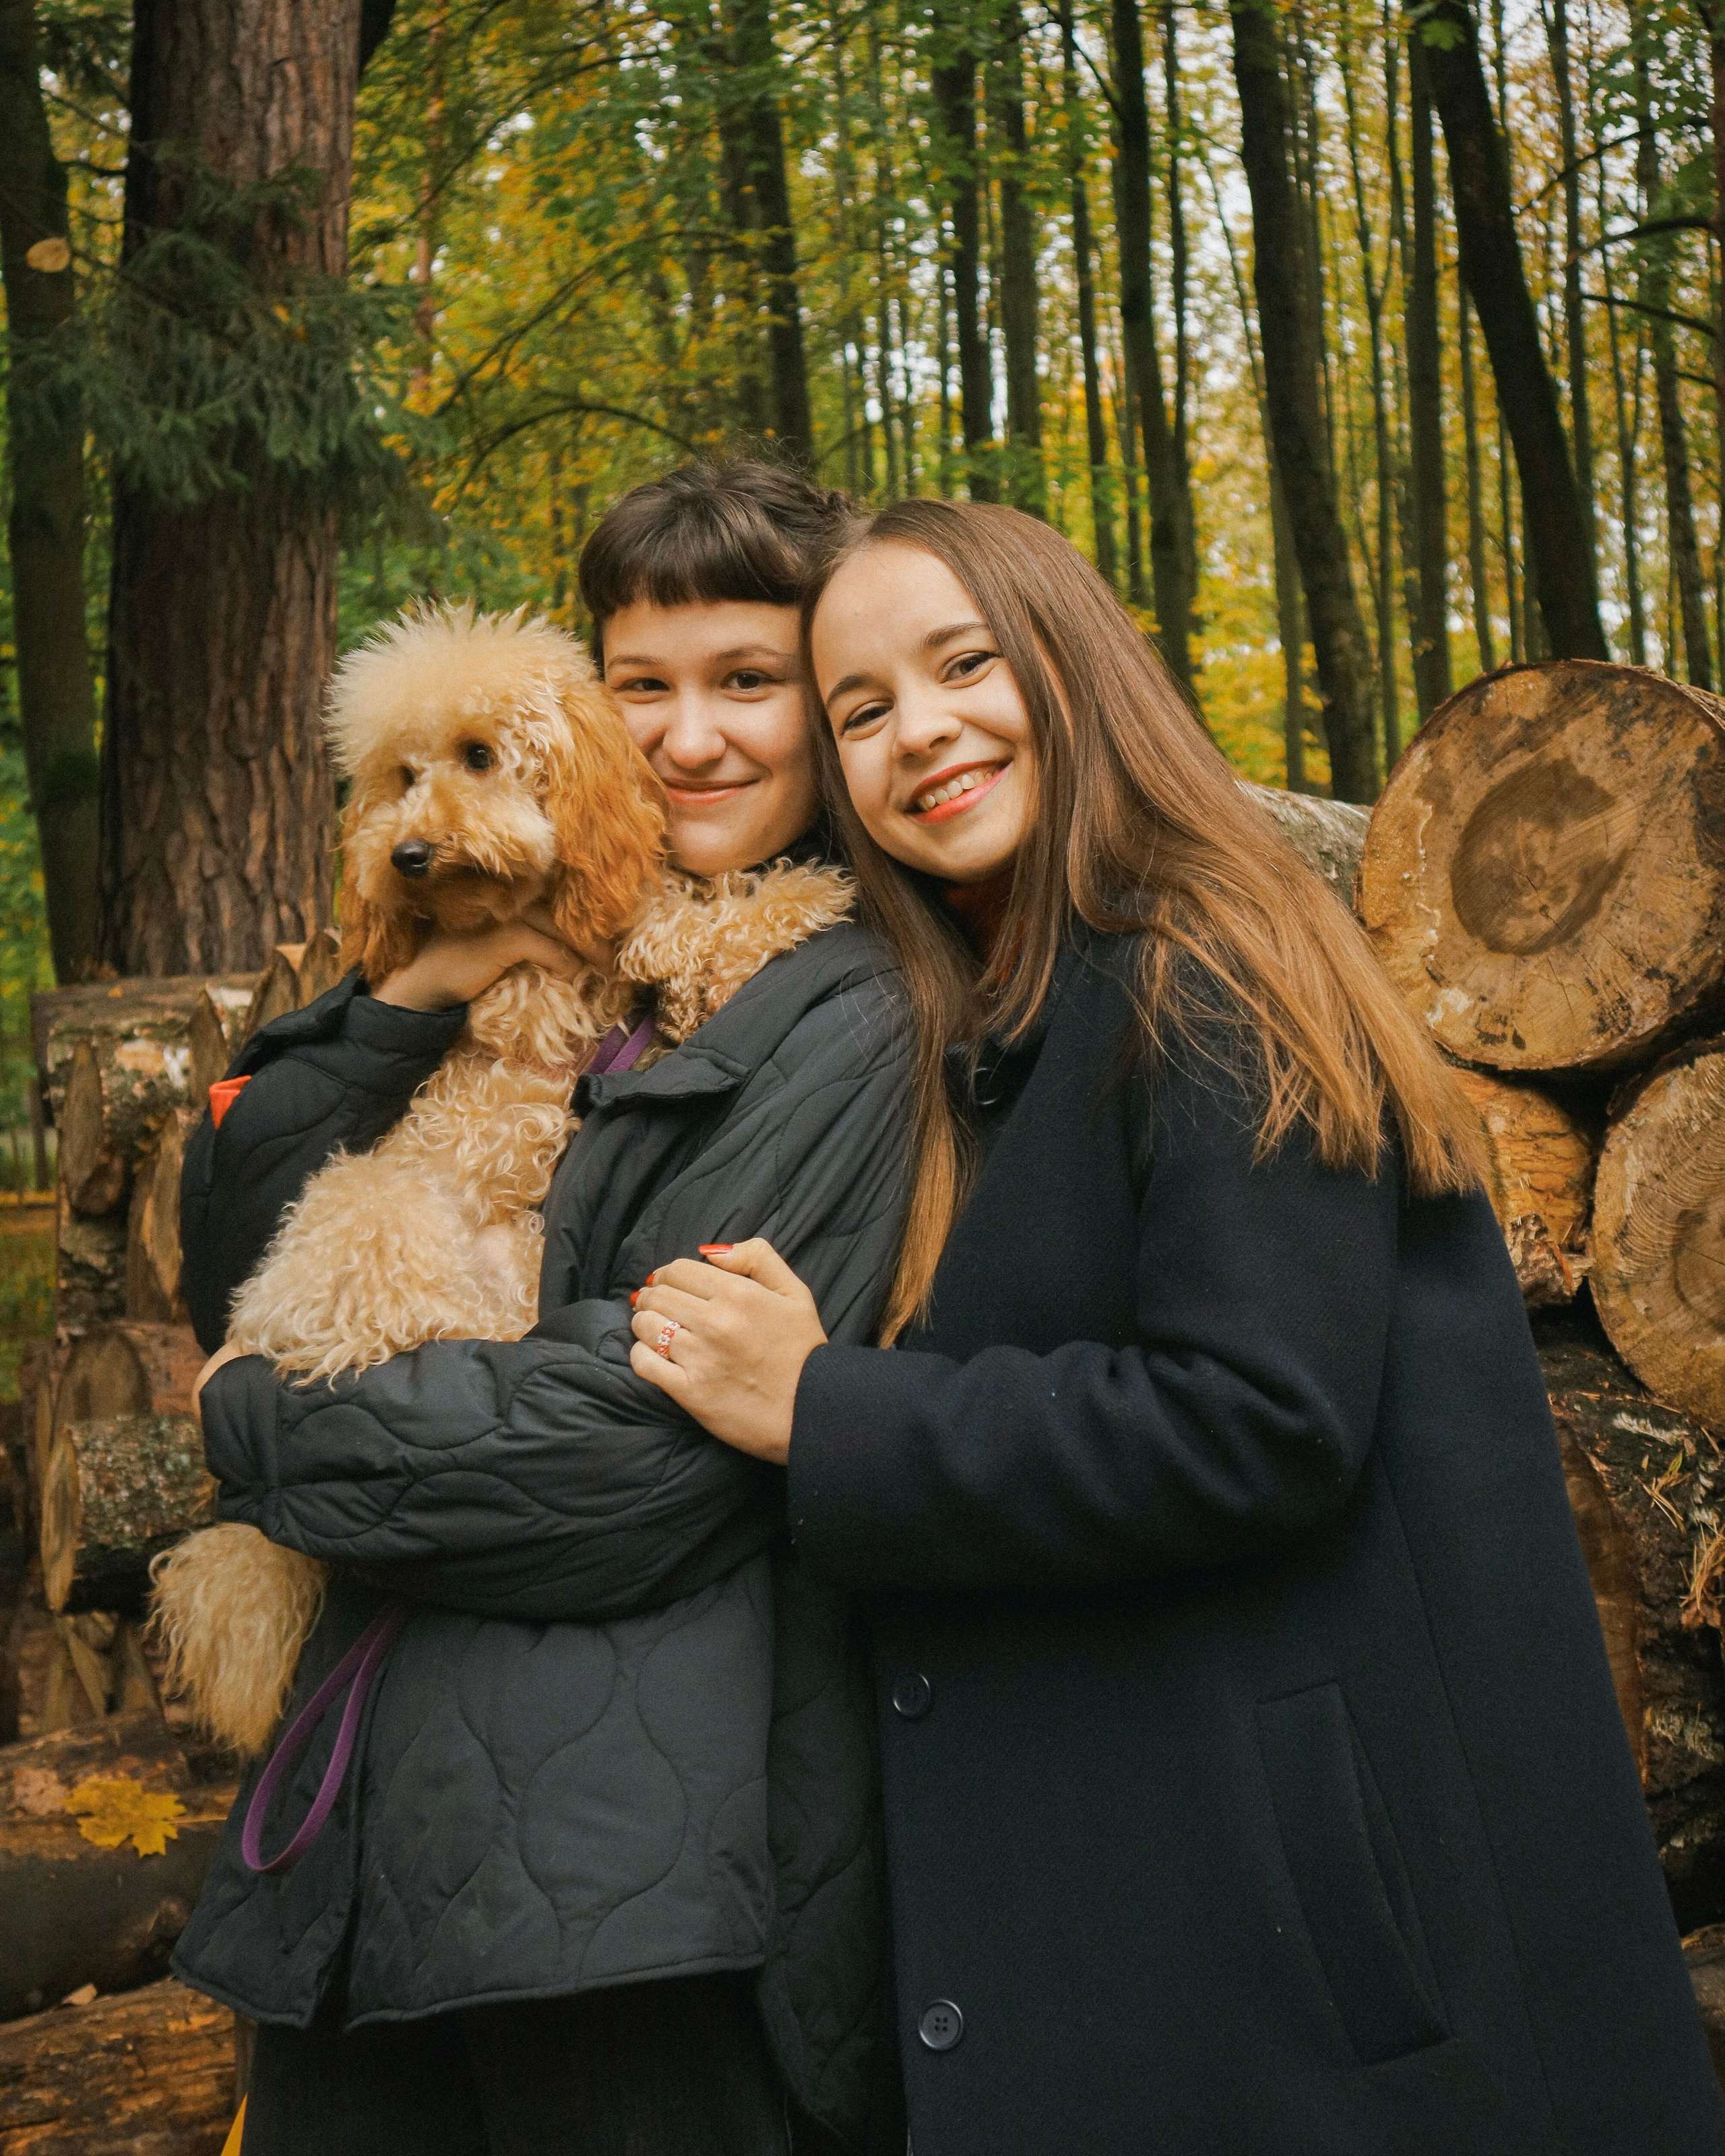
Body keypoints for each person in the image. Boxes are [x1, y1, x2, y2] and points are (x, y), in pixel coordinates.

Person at [627, 498, 1725, 2156]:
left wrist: (826, 1410)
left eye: (959, 665)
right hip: (1191, 1931)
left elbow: (1252, 1418)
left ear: (1068, 666)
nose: (917, 729)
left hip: (1317, 1983)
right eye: (859, 710)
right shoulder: (1022, 1012)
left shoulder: (1198, 963)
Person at [174, 462, 910, 2156]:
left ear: (832, 697)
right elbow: (236, 1236)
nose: (688, 737)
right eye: (638, 687)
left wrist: (248, 1427)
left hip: (627, 1882)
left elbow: (629, 1465)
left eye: (749, 682)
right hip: (375, 1832)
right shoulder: (547, 936)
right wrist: (418, 987)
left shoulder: (846, 1008)